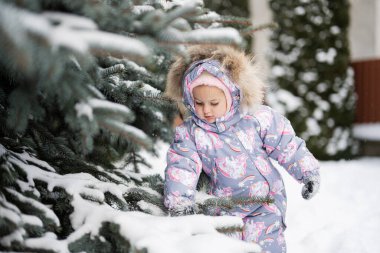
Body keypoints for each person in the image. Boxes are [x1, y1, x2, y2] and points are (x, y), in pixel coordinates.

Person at [163, 45, 320, 253]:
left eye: (214, 102)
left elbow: (286, 144)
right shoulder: (191, 133)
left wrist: (308, 172)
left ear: (231, 95)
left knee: (267, 248)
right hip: (224, 210)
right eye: (198, 102)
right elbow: (182, 165)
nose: (206, 109)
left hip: (265, 202)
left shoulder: (255, 117)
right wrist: (179, 202)